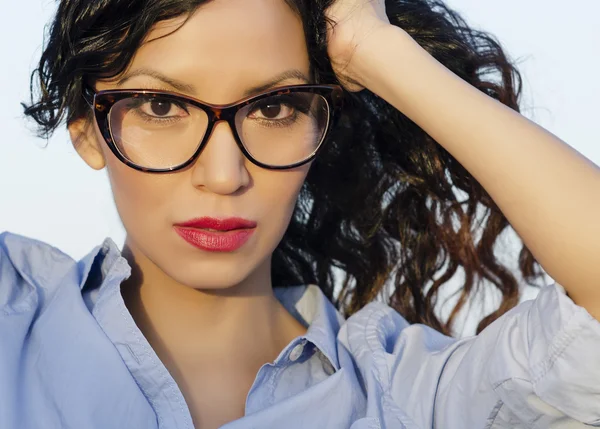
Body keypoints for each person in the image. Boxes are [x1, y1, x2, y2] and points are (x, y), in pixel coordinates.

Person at [1, 0, 599, 427]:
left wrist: (378, 50)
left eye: (276, 107)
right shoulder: (12, 314)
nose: (224, 174)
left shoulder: (408, 398)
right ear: (84, 129)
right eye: (160, 105)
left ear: (323, 123)